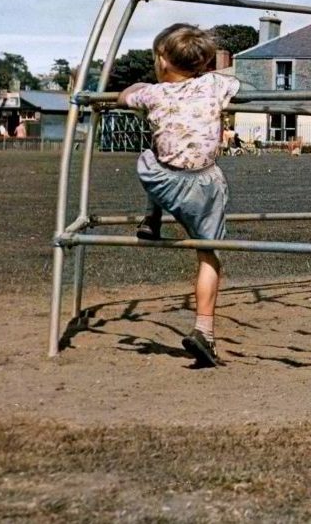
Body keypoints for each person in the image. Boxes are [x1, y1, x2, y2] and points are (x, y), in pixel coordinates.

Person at [118, 23, 241, 367]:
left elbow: (122, 96)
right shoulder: (216, 84)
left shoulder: (153, 93)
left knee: (150, 156)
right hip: (205, 183)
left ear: (161, 59)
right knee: (209, 254)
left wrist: (143, 86)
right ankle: (205, 331)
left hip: (164, 181)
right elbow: (239, 85)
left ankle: (152, 215)